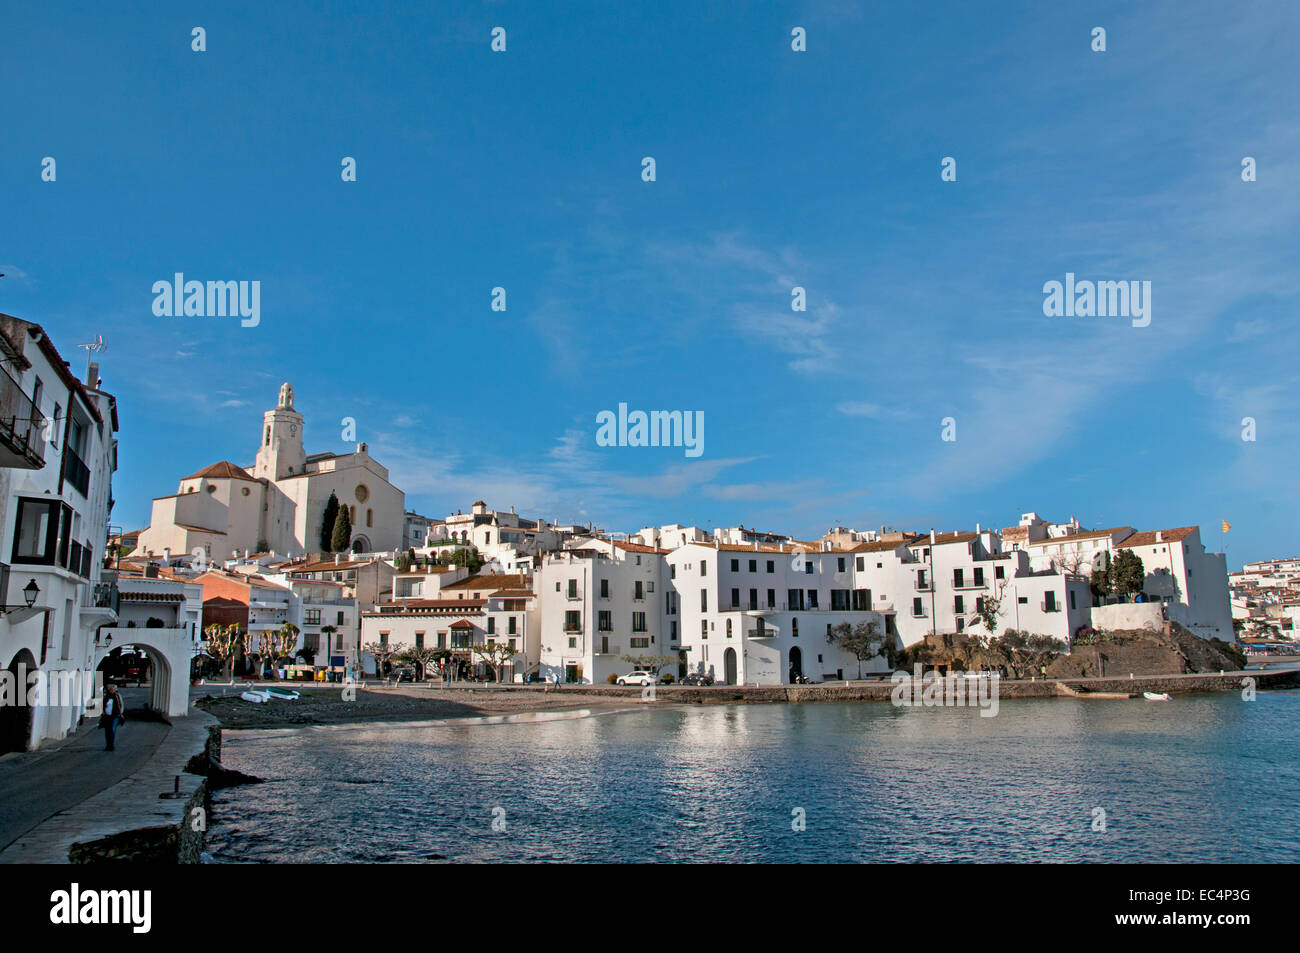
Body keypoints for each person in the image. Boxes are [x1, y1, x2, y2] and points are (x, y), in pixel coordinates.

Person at [100, 683, 125, 751]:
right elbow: (102, 705)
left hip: (115, 715)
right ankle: (108, 745)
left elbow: (121, 704)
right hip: (107, 716)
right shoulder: (106, 696)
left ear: (115, 690)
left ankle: (111, 745)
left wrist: (121, 713)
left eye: (113, 689)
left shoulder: (117, 696)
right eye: (110, 689)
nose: (111, 690)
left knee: (112, 729)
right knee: (107, 731)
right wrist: (103, 712)